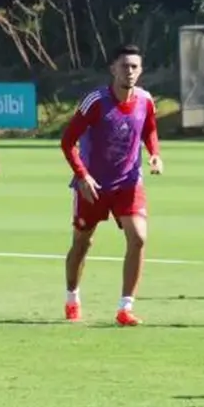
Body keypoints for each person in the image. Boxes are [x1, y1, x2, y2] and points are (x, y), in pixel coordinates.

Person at [59, 44, 163, 326]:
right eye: (124, 66)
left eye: (134, 67)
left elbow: (149, 127)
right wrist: (82, 175)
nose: (129, 72)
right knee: (82, 243)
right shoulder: (95, 101)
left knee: (139, 238)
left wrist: (154, 154)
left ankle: (125, 308)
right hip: (91, 185)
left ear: (140, 71)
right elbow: (67, 142)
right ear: (113, 69)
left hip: (128, 182)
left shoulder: (145, 100)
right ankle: (72, 296)